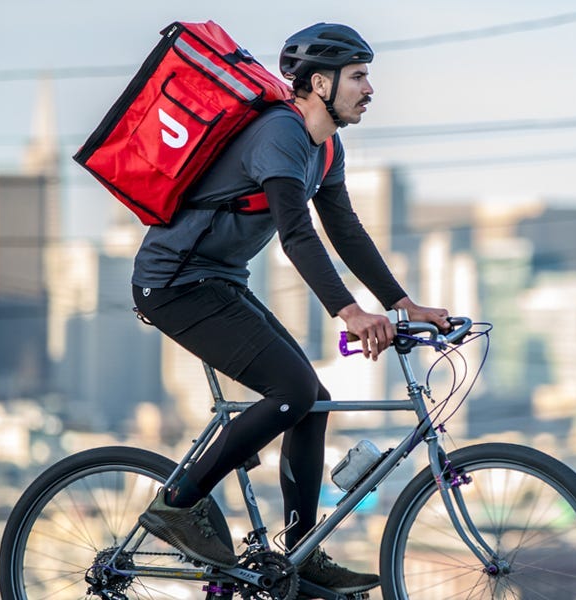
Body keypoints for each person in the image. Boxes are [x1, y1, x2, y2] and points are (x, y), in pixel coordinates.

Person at [130, 22, 449, 595]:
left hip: (218, 280)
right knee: (293, 392)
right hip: (175, 285)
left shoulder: (326, 147)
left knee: (313, 400)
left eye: (367, 76)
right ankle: (177, 506)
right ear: (319, 83)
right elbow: (296, 235)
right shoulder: (280, 134)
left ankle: (299, 555)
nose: (369, 88)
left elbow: (345, 231)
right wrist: (350, 314)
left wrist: (404, 304)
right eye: (358, 77)